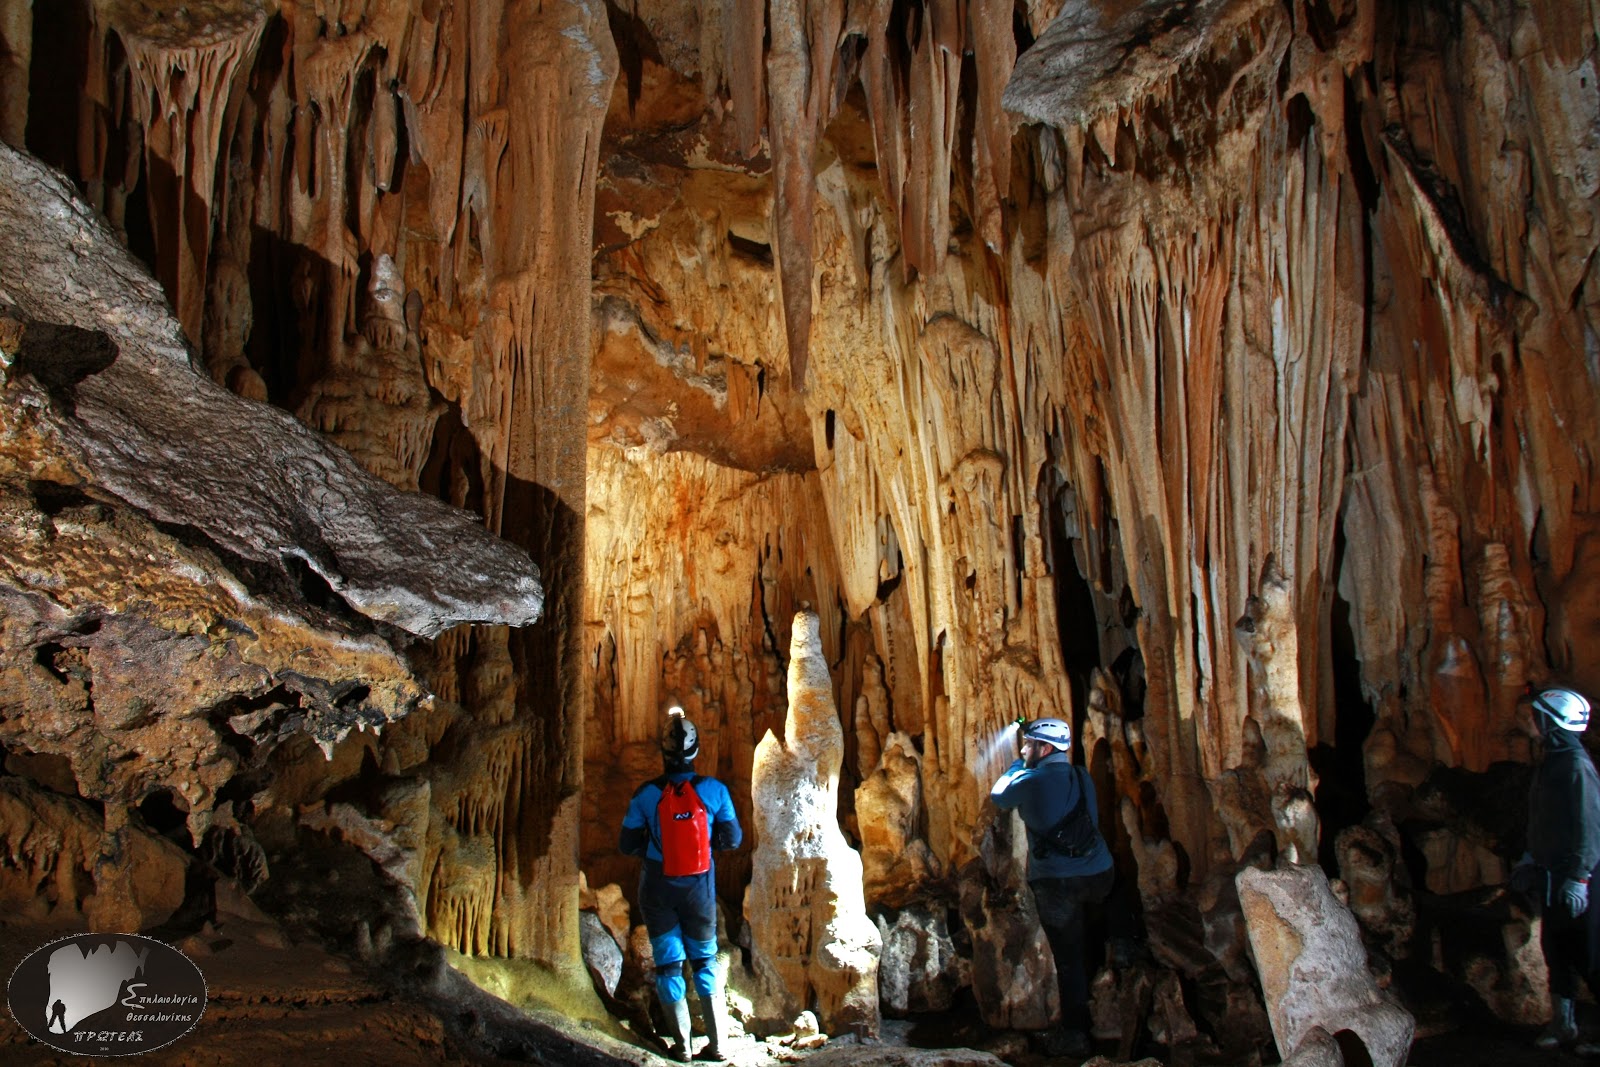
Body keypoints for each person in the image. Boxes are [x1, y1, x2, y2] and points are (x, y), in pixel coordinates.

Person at [620, 707, 742, 1062]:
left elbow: (626, 845)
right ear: (696, 751)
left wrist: (654, 849)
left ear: (664, 751)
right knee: (704, 962)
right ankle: (718, 1045)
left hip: (658, 889)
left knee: (668, 965)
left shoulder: (645, 795)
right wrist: (705, 845)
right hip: (698, 889)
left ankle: (683, 1047)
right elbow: (733, 838)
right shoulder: (714, 791)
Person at [991, 717, 1114, 1058]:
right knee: (1098, 924)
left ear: (1044, 749)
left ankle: (1076, 1034)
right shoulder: (1080, 775)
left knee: (1070, 958)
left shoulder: (1031, 779)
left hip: (1057, 883)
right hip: (1099, 873)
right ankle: (1118, 962)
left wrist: (1016, 765)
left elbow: (999, 795)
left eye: (1029, 745)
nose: (1024, 749)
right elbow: (1092, 817)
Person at [1512, 686, 1600, 1052]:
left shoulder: (1576, 766)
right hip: (1551, 873)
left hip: (1578, 877)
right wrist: (1531, 857)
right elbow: (1545, 820)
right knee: (1557, 950)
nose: (1531, 721)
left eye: (1537, 715)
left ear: (1551, 721)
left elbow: (1589, 825)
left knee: (1590, 955)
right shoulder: (1553, 762)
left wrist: (1580, 877)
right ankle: (1563, 1025)